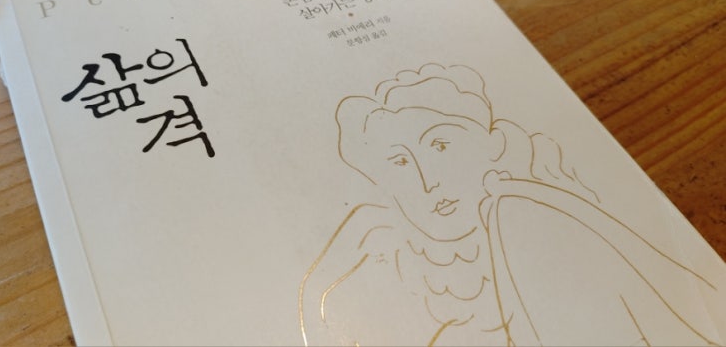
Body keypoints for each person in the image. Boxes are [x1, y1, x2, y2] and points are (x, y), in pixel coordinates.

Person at [298, 63, 719, 346]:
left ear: (493, 145)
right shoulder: (430, 262)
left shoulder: (524, 214)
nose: (428, 181)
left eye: (441, 145)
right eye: (400, 163)